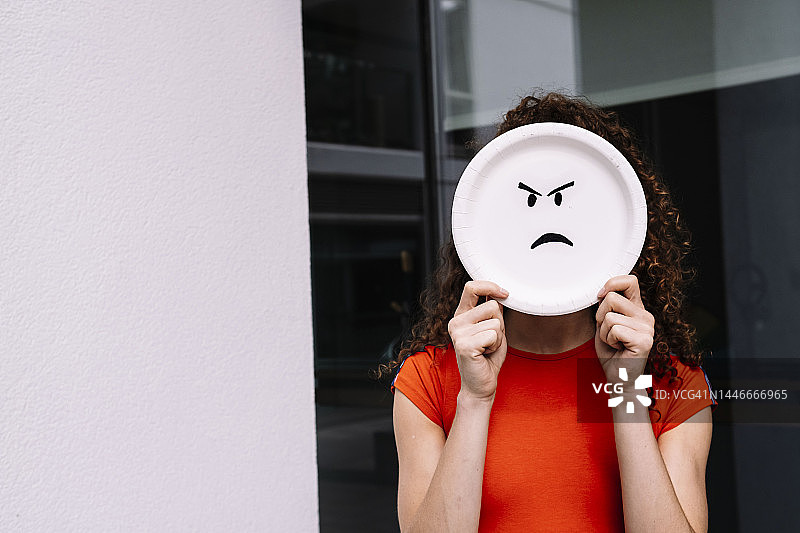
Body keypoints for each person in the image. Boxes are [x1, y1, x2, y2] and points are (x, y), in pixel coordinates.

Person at [382, 92, 717, 532]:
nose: (548, 215)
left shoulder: (672, 383)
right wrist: (475, 400)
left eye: (568, 199)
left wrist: (624, 390)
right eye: (527, 200)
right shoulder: (429, 381)